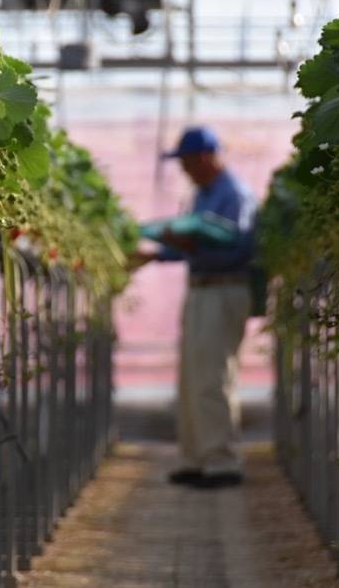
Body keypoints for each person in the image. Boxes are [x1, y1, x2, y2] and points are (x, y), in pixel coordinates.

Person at [133, 126, 255, 488]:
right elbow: (190, 243)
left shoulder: (234, 194)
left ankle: (222, 461)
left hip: (224, 289)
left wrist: (185, 244)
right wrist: (157, 252)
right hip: (202, 289)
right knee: (192, 378)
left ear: (203, 157)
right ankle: (196, 458)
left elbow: (239, 248)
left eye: (185, 161)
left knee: (213, 376)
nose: (183, 169)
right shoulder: (203, 195)